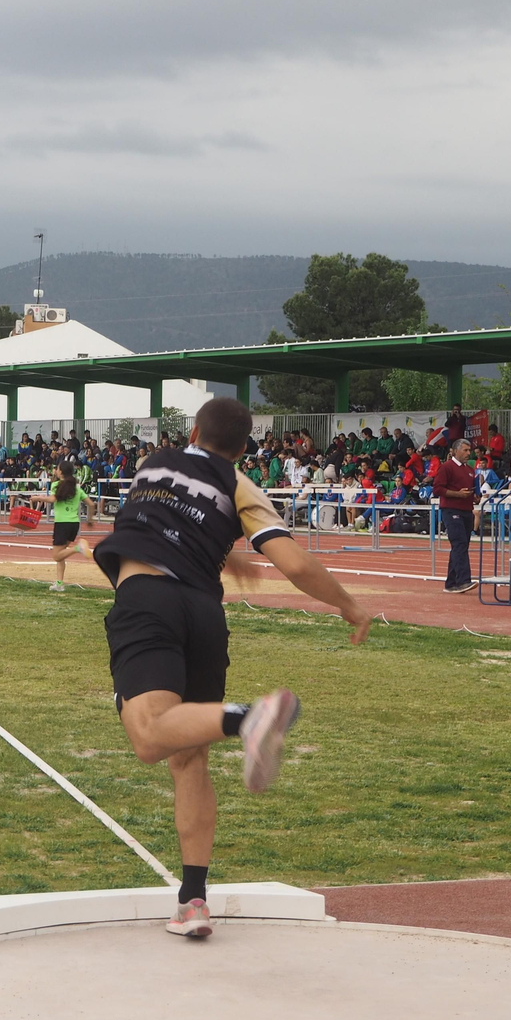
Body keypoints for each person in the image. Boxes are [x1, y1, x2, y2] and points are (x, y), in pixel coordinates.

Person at [92, 397, 371, 940]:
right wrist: (349, 605)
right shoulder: (241, 486)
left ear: (193, 431)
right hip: (204, 614)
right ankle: (192, 900)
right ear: (243, 449)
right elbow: (292, 562)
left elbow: (158, 522)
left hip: (147, 599)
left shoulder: (151, 462)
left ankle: (248, 717)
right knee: (188, 755)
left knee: (149, 737)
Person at [27, 461, 90, 591]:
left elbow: (52, 499)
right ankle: (59, 583)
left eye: (57, 468)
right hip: (74, 523)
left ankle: (78, 548)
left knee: (56, 555)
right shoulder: (77, 488)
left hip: (62, 523)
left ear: (61, 472)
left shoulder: (57, 484)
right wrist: (90, 519)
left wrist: (38, 498)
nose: (55, 470)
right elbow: (91, 503)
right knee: (61, 554)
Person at [434, 438, 477, 593]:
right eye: (465, 450)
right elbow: (437, 489)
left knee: (461, 546)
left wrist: (475, 496)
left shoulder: (470, 470)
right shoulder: (446, 467)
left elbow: (470, 490)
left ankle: (451, 583)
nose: (468, 453)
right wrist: (458, 494)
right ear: (455, 451)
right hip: (451, 510)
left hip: (467, 511)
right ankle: (463, 581)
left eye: (469, 450)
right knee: (459, 543)